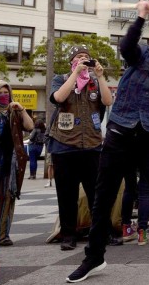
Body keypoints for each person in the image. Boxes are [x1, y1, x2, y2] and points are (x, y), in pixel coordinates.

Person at [66, 1, 149, 283]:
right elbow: (126, 47)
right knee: (103, 197)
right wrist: (141, 16)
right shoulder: (141, 55)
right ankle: (94, 258)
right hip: (120, 133)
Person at [49, 45, 113, 251]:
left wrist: (101, 76)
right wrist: (75, 74)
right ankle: (69, 234)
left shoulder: (94, 83)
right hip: (64, 146)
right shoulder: (61, 79)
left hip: (92, 146)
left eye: (86, 57)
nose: (83, 60)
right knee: (66, 196)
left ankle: (102, 233)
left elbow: (108, 101)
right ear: (71, 62)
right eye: (78, 58)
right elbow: (58, 98)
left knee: (97, 194)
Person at [0, 80, 34, 245]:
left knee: (8, 197)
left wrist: (22, 109)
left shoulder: (14, 111)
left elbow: (29, 126)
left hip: (10, 162)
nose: (3, 96)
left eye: (5, 92)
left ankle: (2, 235)